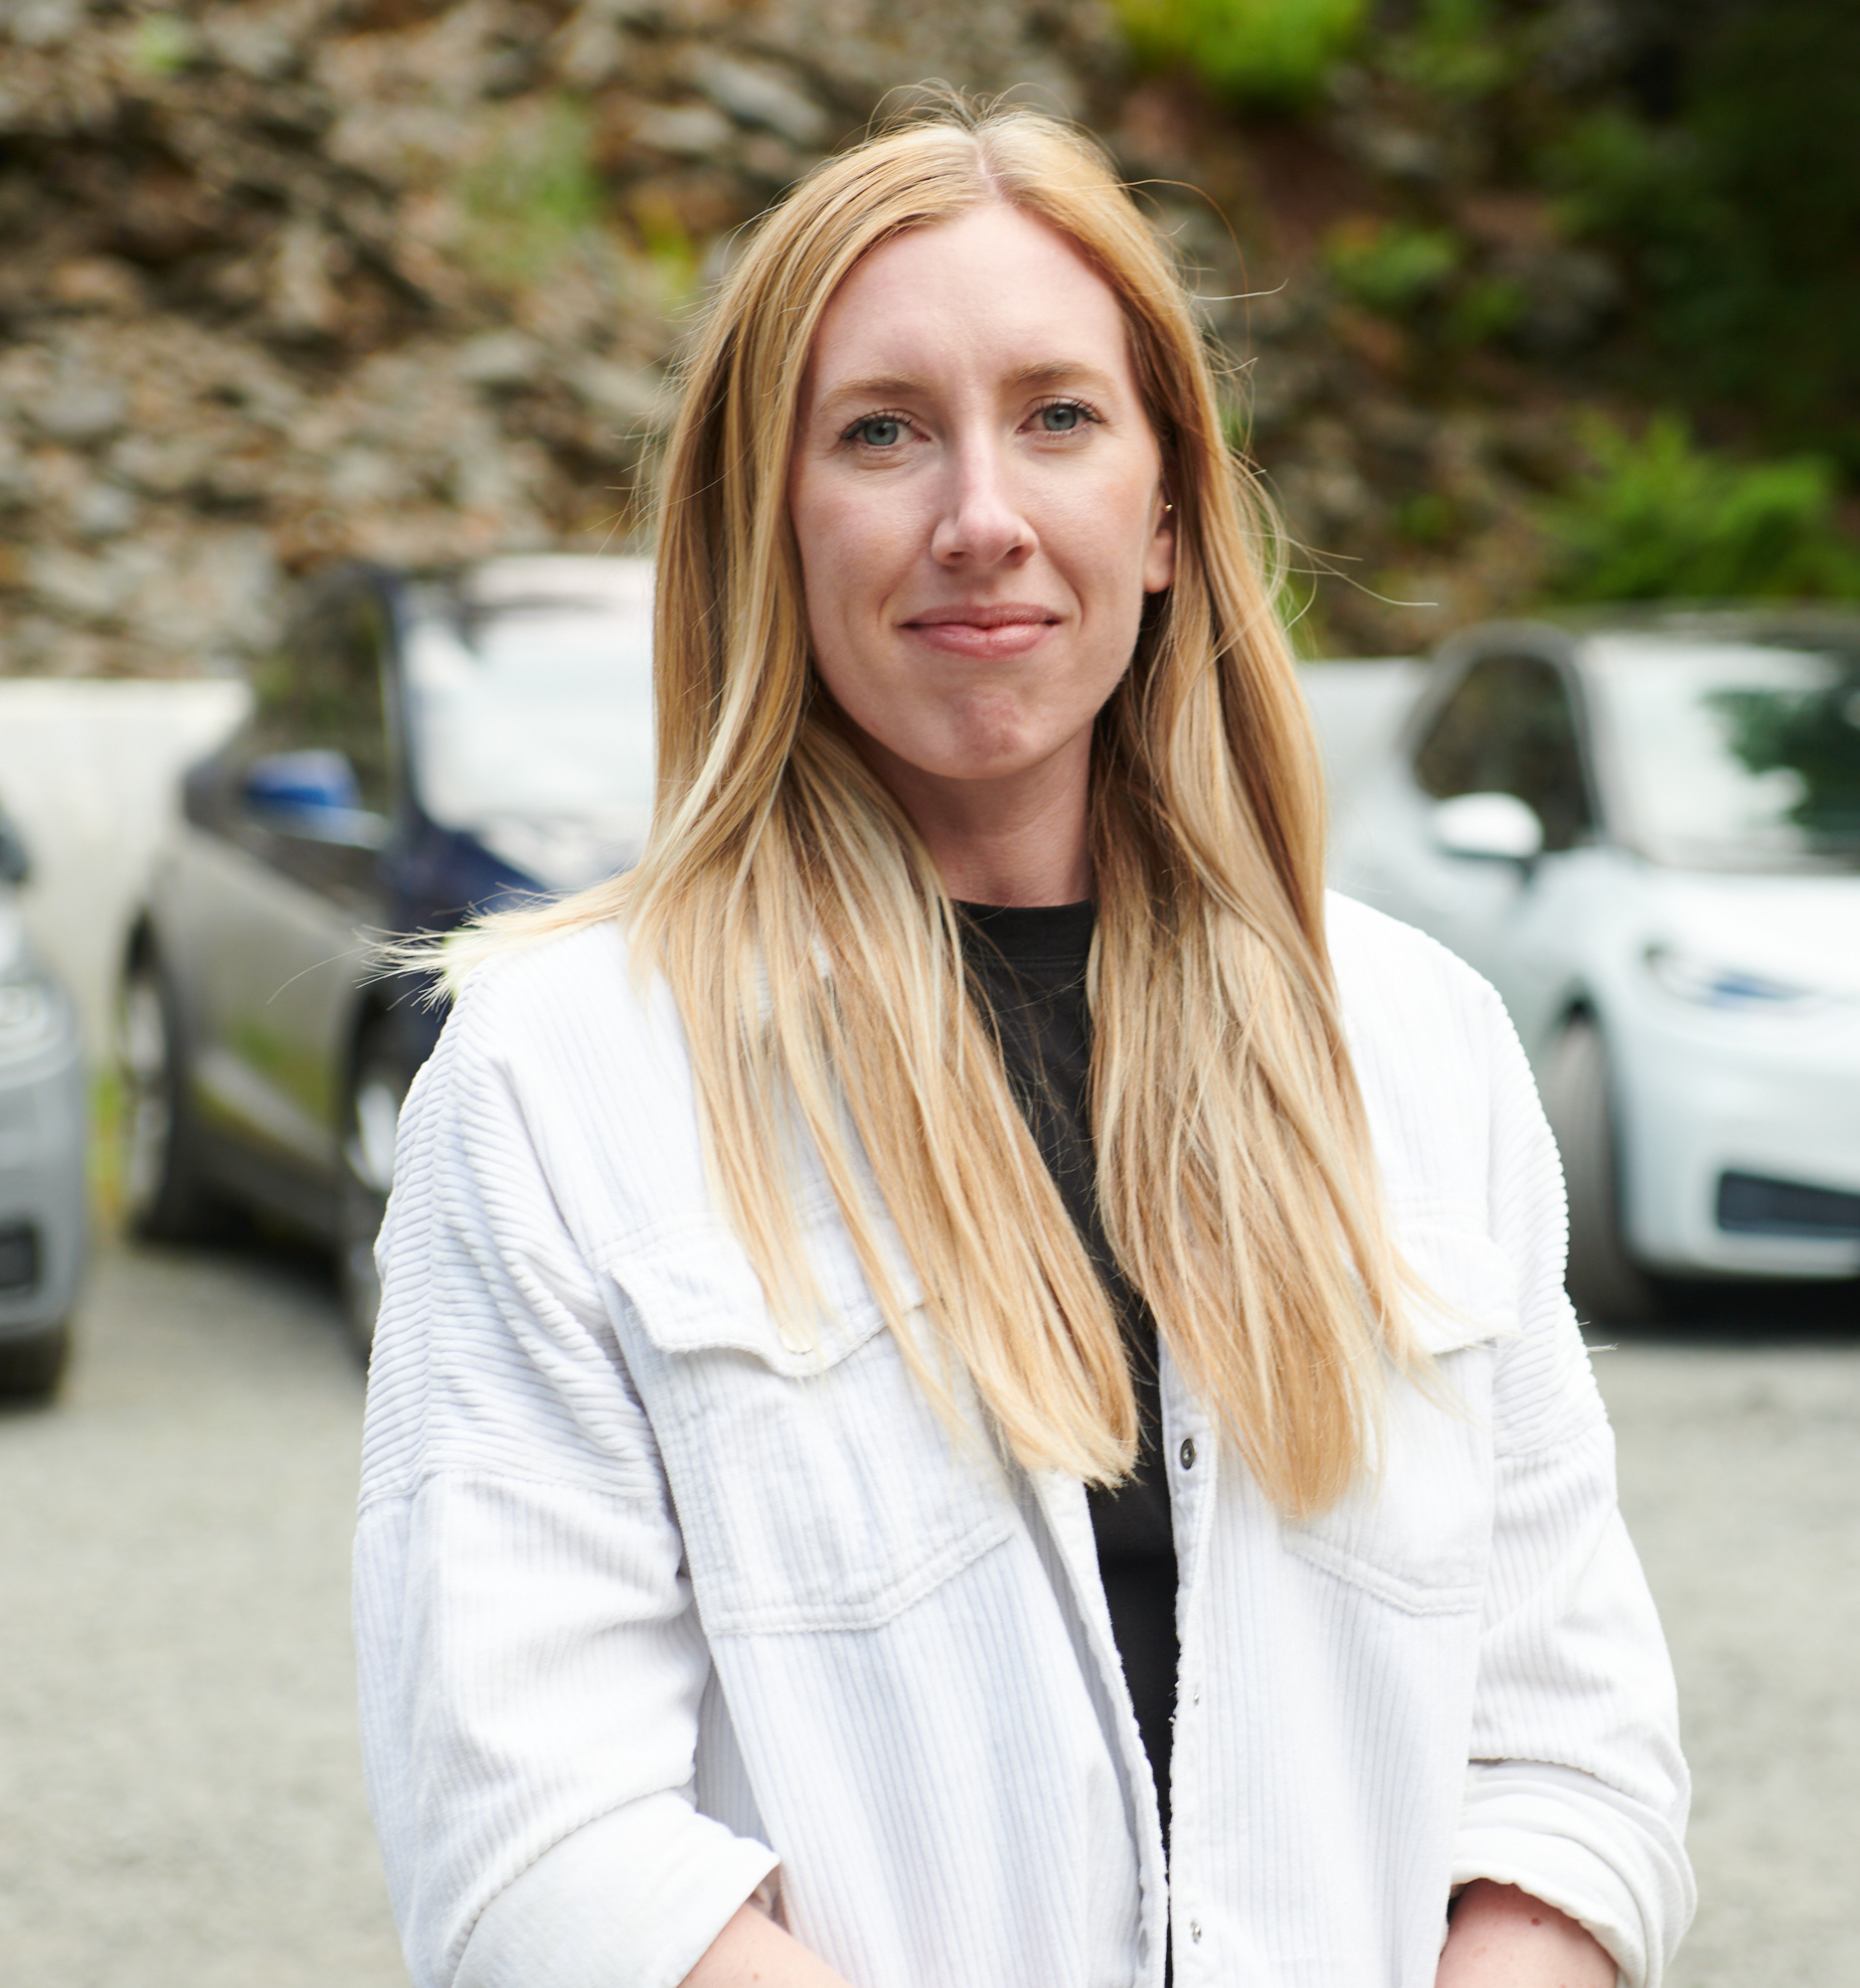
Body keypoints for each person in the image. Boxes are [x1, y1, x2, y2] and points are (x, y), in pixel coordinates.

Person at [354, 100, 1692, 1988]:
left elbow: (1568, 1763)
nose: (980, 517)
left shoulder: (1416, 1043)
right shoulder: (558, 1084)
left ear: (1166, 518)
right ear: (767, 526)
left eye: (1058, 417)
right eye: (881, 431)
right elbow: (539, 1852)